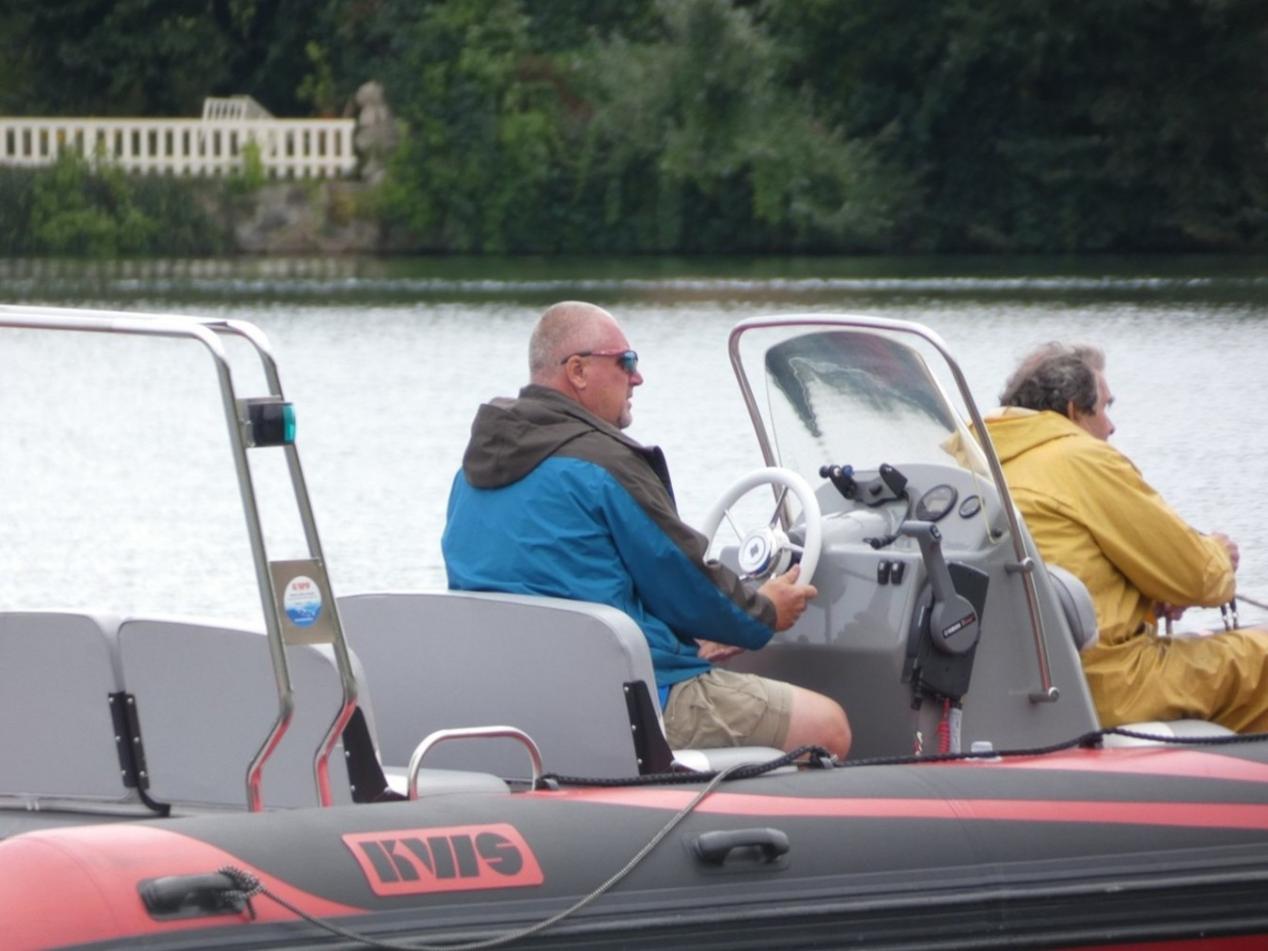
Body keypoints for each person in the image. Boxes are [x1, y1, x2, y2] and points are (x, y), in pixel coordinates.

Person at [442, 301, 851, 758]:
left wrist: (692, 636)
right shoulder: (604, 465)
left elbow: (567, 583)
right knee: (828, 727)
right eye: (626, 362)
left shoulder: (472, 472)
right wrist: (765, 610)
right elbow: (683, 581)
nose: (637, 377)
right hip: (624, 701)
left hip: (515, 701)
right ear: (577, 371)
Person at [984, 342, 1268, 732]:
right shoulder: (1081, 459)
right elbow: (1199, 576)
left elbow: (1066, 572)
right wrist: (1220, 554)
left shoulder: (979, 463)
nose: (1111, 427)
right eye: (1105, 408)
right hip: (1107, 686)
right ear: (1074, 411)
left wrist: (1147, 599)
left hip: (1018, 689)